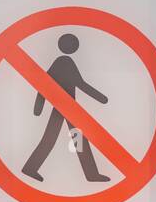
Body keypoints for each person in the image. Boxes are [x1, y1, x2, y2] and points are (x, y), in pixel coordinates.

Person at [21, 33, 111, 184]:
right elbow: (78, 84)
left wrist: (39, 107)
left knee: (63, 139)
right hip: (66, 109)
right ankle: (91, 174)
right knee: (66, 139)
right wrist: (101, 98)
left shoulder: (63, 61)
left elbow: (45, 83)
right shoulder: (65, 62)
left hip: (68, 109)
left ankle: (31, 168)